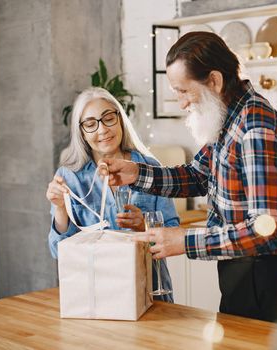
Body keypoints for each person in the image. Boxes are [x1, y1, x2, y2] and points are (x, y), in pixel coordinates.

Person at [99, 32, 277, 322]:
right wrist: (137, 173)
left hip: (268, 283)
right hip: (243, 275)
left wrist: (185, 241)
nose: (182, 103)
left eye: (184, 91)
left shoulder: (256, 128)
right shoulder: (228, 116)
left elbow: (269, 231)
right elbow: (197, 176)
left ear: (214, 81)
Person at [46, 87, 179, 302]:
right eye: (90, 124)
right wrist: (61, 208)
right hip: (94, 295)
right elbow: (58, 252)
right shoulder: (69, 177)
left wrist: (142, 226)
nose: (102, 130)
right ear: (81, 132)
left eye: (108, 118)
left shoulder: (149, 168)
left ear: (120, 119)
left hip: (149, 292)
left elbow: (172, 232)